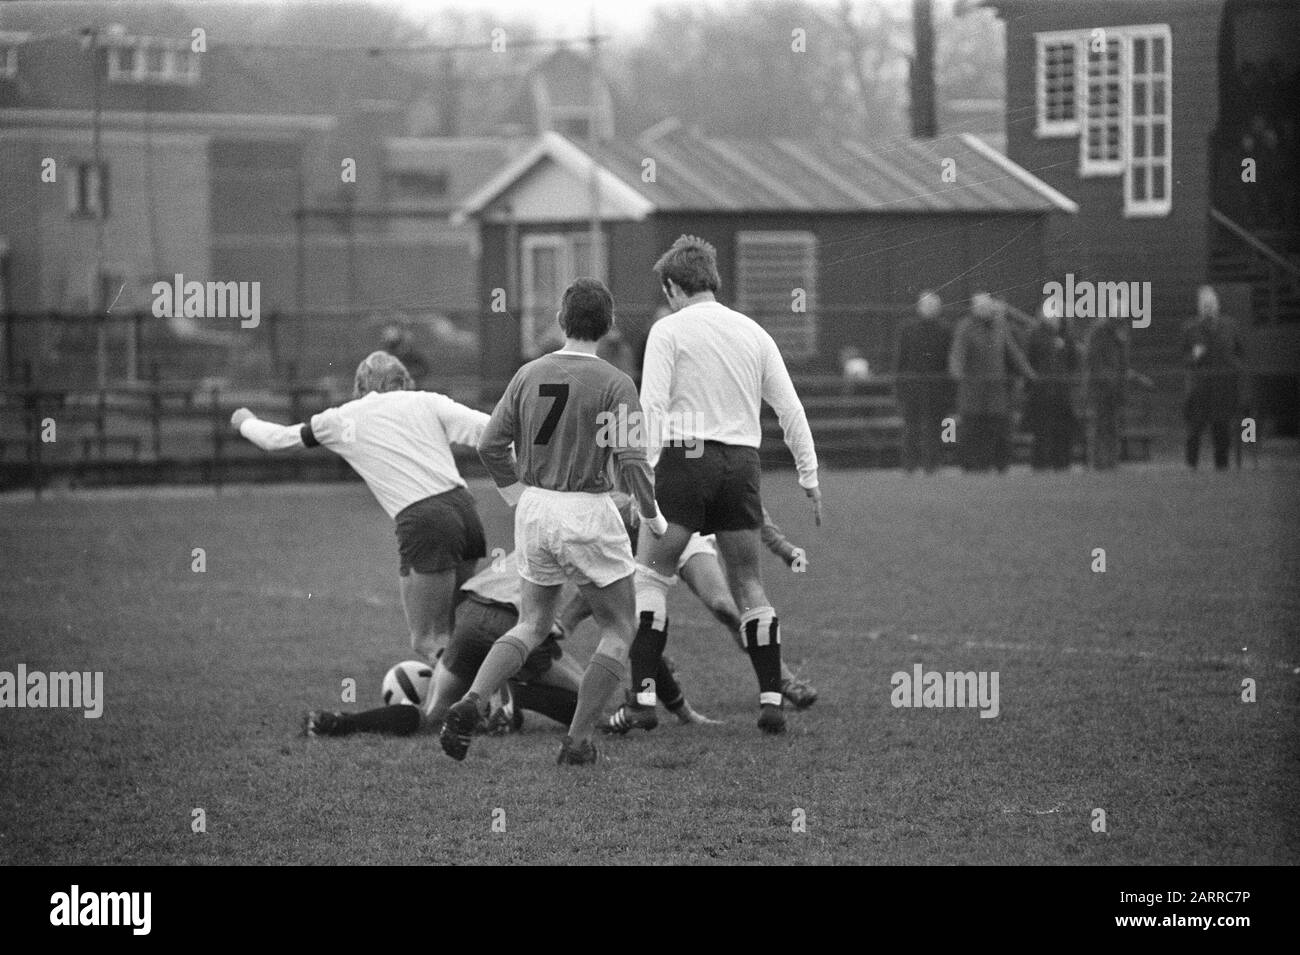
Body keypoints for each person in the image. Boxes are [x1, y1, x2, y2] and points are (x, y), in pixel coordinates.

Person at [440, 277, 668, 767]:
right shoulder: (616, 382)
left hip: (536, 510)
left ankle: (473, 700)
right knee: (619, 627)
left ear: (562, 320)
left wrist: (515, 494)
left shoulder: (528, 374)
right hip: (586, 509)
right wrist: (652, 515)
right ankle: (578, 741)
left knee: (532, 623)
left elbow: (489, 445)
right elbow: (633, 461)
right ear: (608, 325)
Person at [618, 235, 822, 738]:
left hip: (686, 458)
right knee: (748, 583)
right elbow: (789, 407)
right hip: (742, 464)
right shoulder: (753, 332)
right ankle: (771, 700)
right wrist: (809, 476)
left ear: (672, 286)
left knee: (650, 576)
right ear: (713, 279)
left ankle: (643, 700)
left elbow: (653, 407)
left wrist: (645, 474)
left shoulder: (668, 330)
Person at [230, 352, 489, 675]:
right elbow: (488, 429)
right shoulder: (427, 401)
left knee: (428, 640)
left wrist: (245, 422)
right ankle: (482, 694)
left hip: (426, 520)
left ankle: (477, 697)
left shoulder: (343, 418)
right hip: (465, 510)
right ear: (404, 381)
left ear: (361, 387)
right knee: (455, 631)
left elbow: (277, 440)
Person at [303, 548, 716, 738]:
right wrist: (568, 623)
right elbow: (629, 621)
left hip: (472, 613)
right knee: (598, 706)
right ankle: (517, 697)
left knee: (434, 716)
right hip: (517, 623)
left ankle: (339, 722)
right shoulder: (607, 538)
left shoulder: (541, 516)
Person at [598, 506, 818, 734]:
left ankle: (781, 679)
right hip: (629, 539)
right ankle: (655, 704)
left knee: (723, 605)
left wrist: (779, 544)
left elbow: (746, 497)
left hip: (679, 521)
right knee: (632, 620)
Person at [947, 293, 1037, 472]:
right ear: (974, 309)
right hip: (972, 389)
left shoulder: (1000, 326)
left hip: (995, 389)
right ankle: (972, 466)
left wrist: (1029, 374)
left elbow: (1013, 353)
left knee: (997, 427)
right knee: (972, 427)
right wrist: (956, 372)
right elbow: (958, 352)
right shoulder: (966, 326)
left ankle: (998, 465)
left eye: (987, 307)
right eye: (981, 307)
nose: (985, 310)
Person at [1181, 286, 1244, 470]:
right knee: (1195, 429)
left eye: (1211, 304)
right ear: (1199, 307)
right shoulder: (1190, 328)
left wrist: (1234, 365)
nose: (1208, 308)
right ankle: (1191, 465)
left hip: (1224, 386)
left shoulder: (1231, 326)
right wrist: (1194, 356)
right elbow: (1184, 358)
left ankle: (1222, 466)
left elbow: (1240, 352)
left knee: (1222, 428)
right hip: (1199, 386)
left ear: (1218, 305)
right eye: (1205, 305)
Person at [893, 291, 951, 473]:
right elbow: (901, 359)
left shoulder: (945, 329)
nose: (930, 309)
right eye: (927, 305)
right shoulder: (907, 329)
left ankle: (932, 464)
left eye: (933, 305)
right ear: (919, 307)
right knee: (912, 427)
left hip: (936, 386)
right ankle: (910, 464)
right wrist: (899, 385)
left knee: (934, 427)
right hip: (913, 385)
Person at [1024, 298, 1079, 470]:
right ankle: (1041, 463)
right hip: (1042, 391)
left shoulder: (1066, 336)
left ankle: (1061, 463)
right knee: (1042, 430)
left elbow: (1073, 361)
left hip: (1061, 391)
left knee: (1062, 429)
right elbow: (1030, 359)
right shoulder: (1036, 335)